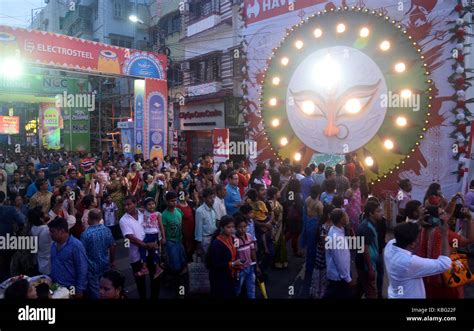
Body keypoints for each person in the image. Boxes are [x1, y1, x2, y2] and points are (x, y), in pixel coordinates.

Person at [384, 221, 452, 299]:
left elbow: (401, 233)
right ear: (413, 244)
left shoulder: (389, 246)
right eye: (418, 238)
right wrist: (444, 234)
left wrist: (419, 220)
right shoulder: (408, 262)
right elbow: (445, 263)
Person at [418, 205, 474, 298]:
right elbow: (468, 240)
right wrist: (469, 220)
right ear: (434, 219)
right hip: (446, 278)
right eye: (442, 213)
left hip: (426, 277)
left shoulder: (421, 230)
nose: (445, 214)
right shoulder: (443, 233)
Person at [119, 195, 160, 299]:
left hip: (151, 252)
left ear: (135, 203)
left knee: (155, 278)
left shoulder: (144, 214)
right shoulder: (123, 220)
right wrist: (146, 245)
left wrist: (156, 243)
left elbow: (155, 226)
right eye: (125, 205)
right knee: (140, 282)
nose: (126, 207)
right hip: (136, 256)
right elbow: (131, 238)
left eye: (129, 204)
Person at [80, 209, 116, 299]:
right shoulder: (107, 230)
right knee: (105, 287)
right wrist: (112, 261)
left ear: (89, 219)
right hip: (105, 265)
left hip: (92, 269)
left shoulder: (85, 234)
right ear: (100, 218)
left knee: (96, 291)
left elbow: (82, 254)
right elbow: (112, 246)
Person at [49, 217, 88, 298]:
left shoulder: (76, 246)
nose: (50, 234)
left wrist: (79, 290)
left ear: (62, 231)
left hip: (70, 288)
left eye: (53, 232)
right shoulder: (53, 245)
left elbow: (82, 269)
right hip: (56, 287)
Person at [208, 215, 243, 298]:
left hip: (229, 276)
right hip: (219, 278)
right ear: (222, 228)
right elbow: (215, 264)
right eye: (228, 227)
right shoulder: (217, 244)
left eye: (233, 227)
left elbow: (235, 253)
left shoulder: (233, 239)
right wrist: (233, 264)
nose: (232, 229)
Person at [323, 209, 354, 299]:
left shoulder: (336, 229)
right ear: (341, 219)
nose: (347, 217)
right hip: (339, 277)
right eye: (345, 215)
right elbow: (340, 261)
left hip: (338, 275)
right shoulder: (336, 237)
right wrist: (347, 278)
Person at [355, 201, 383, 299]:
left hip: (364, 264)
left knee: (360, 288)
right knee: (372, 294)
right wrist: (370, 269)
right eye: (378, 211)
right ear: (371, 213)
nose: (381, 213)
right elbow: (364, 249)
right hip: (366, 266)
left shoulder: (369, 224)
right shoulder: (367, 227)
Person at [161, 191, 187, 285]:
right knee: (174, 263)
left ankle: (178, 280)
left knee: (182, 260)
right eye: (172, 201)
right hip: (170, 242)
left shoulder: (178, 211)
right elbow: (162, 229)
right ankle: (171, 279)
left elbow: (181, 223)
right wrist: (163, 240)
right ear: (167, 202)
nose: (174, 203)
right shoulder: (164, 215)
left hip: (179, 240)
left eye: (175, 200)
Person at [138, 197, 165, 278]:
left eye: (153, 204)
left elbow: (161, 226)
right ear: (145, 206)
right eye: (149, 204)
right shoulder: (144, 212)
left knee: (154, 252)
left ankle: (155, 268)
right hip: (146, 235)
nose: (151, 206)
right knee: (143, 249)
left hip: (154, 235)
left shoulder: (157, 214)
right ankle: (145, 267)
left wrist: (163, 237)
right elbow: (136, 208)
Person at [235, 217, 260, 299]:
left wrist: (256, 266)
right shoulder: (235, 240)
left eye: (244, 227)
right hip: (240, 269)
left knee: (251, 288)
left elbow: (252, 252)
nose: (242, 229)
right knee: (237, 289)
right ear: (236, 228)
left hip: (250, 267)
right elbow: (234, 254)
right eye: (240, 227)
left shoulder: (249, 236)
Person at [268, 186, 287, 269]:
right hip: (274, 227)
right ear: (274, 195)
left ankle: (281, 262)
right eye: (278, 192)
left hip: (279, 226)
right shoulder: (270, 203)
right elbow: (270, 215)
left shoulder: (276, 202)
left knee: (280, 244)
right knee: (275, 245)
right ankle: (275, 262)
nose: (280, 193)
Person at [29, 206, 52, 275]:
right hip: (49, 266)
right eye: (45, 213)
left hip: (40, 263)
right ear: (41, 218)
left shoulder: (33, 228)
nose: (47, 213)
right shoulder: (47, 231)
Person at [195, 188, 218, 258]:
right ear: (204, 199)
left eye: (213, 197)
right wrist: (199, 244)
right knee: (207, 258)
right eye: (210, 198)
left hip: (213, 237)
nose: (212, 200)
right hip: (205, 239)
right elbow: (198, 228)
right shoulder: (200, 211)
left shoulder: (213, 209)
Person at [177, 190, 196, 262]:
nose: (188, 196)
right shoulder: (178, 207)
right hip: (185, 229)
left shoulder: (190, 203)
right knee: (186, 244)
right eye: (187, 195)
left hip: (192, 227)